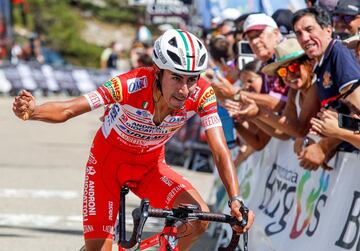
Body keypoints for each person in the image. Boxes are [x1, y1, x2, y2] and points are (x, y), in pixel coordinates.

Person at [12, 29, 254, 251]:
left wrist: (235, 198)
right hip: (107, 167)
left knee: (198, 219)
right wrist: (33, 112)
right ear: (158, 72)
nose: (184, 90)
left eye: (192, 79)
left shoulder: (203, 94)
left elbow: (219, 149)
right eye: (177, 78)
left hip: (150, 167)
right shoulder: (129, 84)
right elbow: (69, 109)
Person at [292, 6, 360, 170]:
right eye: (299, 34)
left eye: (309, 30)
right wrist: (320, 138)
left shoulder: (338, 52)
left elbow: (357, 111)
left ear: (328, 29)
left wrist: (325, 145)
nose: (304, 38)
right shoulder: (321, 63)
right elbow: (344, 119)